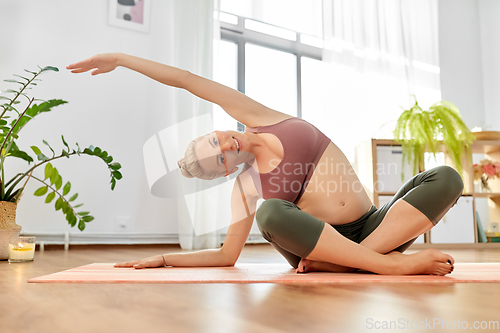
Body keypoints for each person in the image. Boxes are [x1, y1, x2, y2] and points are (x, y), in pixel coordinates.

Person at [67, 53, 463, 275]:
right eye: (219, 157)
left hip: (373, 228)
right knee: (270, 212)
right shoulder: (245, 187)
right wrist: (167, 257)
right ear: (225, 169)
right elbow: (226, 256)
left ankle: (354, 264)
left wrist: (121, 59)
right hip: (320, 243)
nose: (224, 144)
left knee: (445, 177)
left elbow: (187, 78)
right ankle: (387, 267)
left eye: (214, 139)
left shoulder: (258, 114)